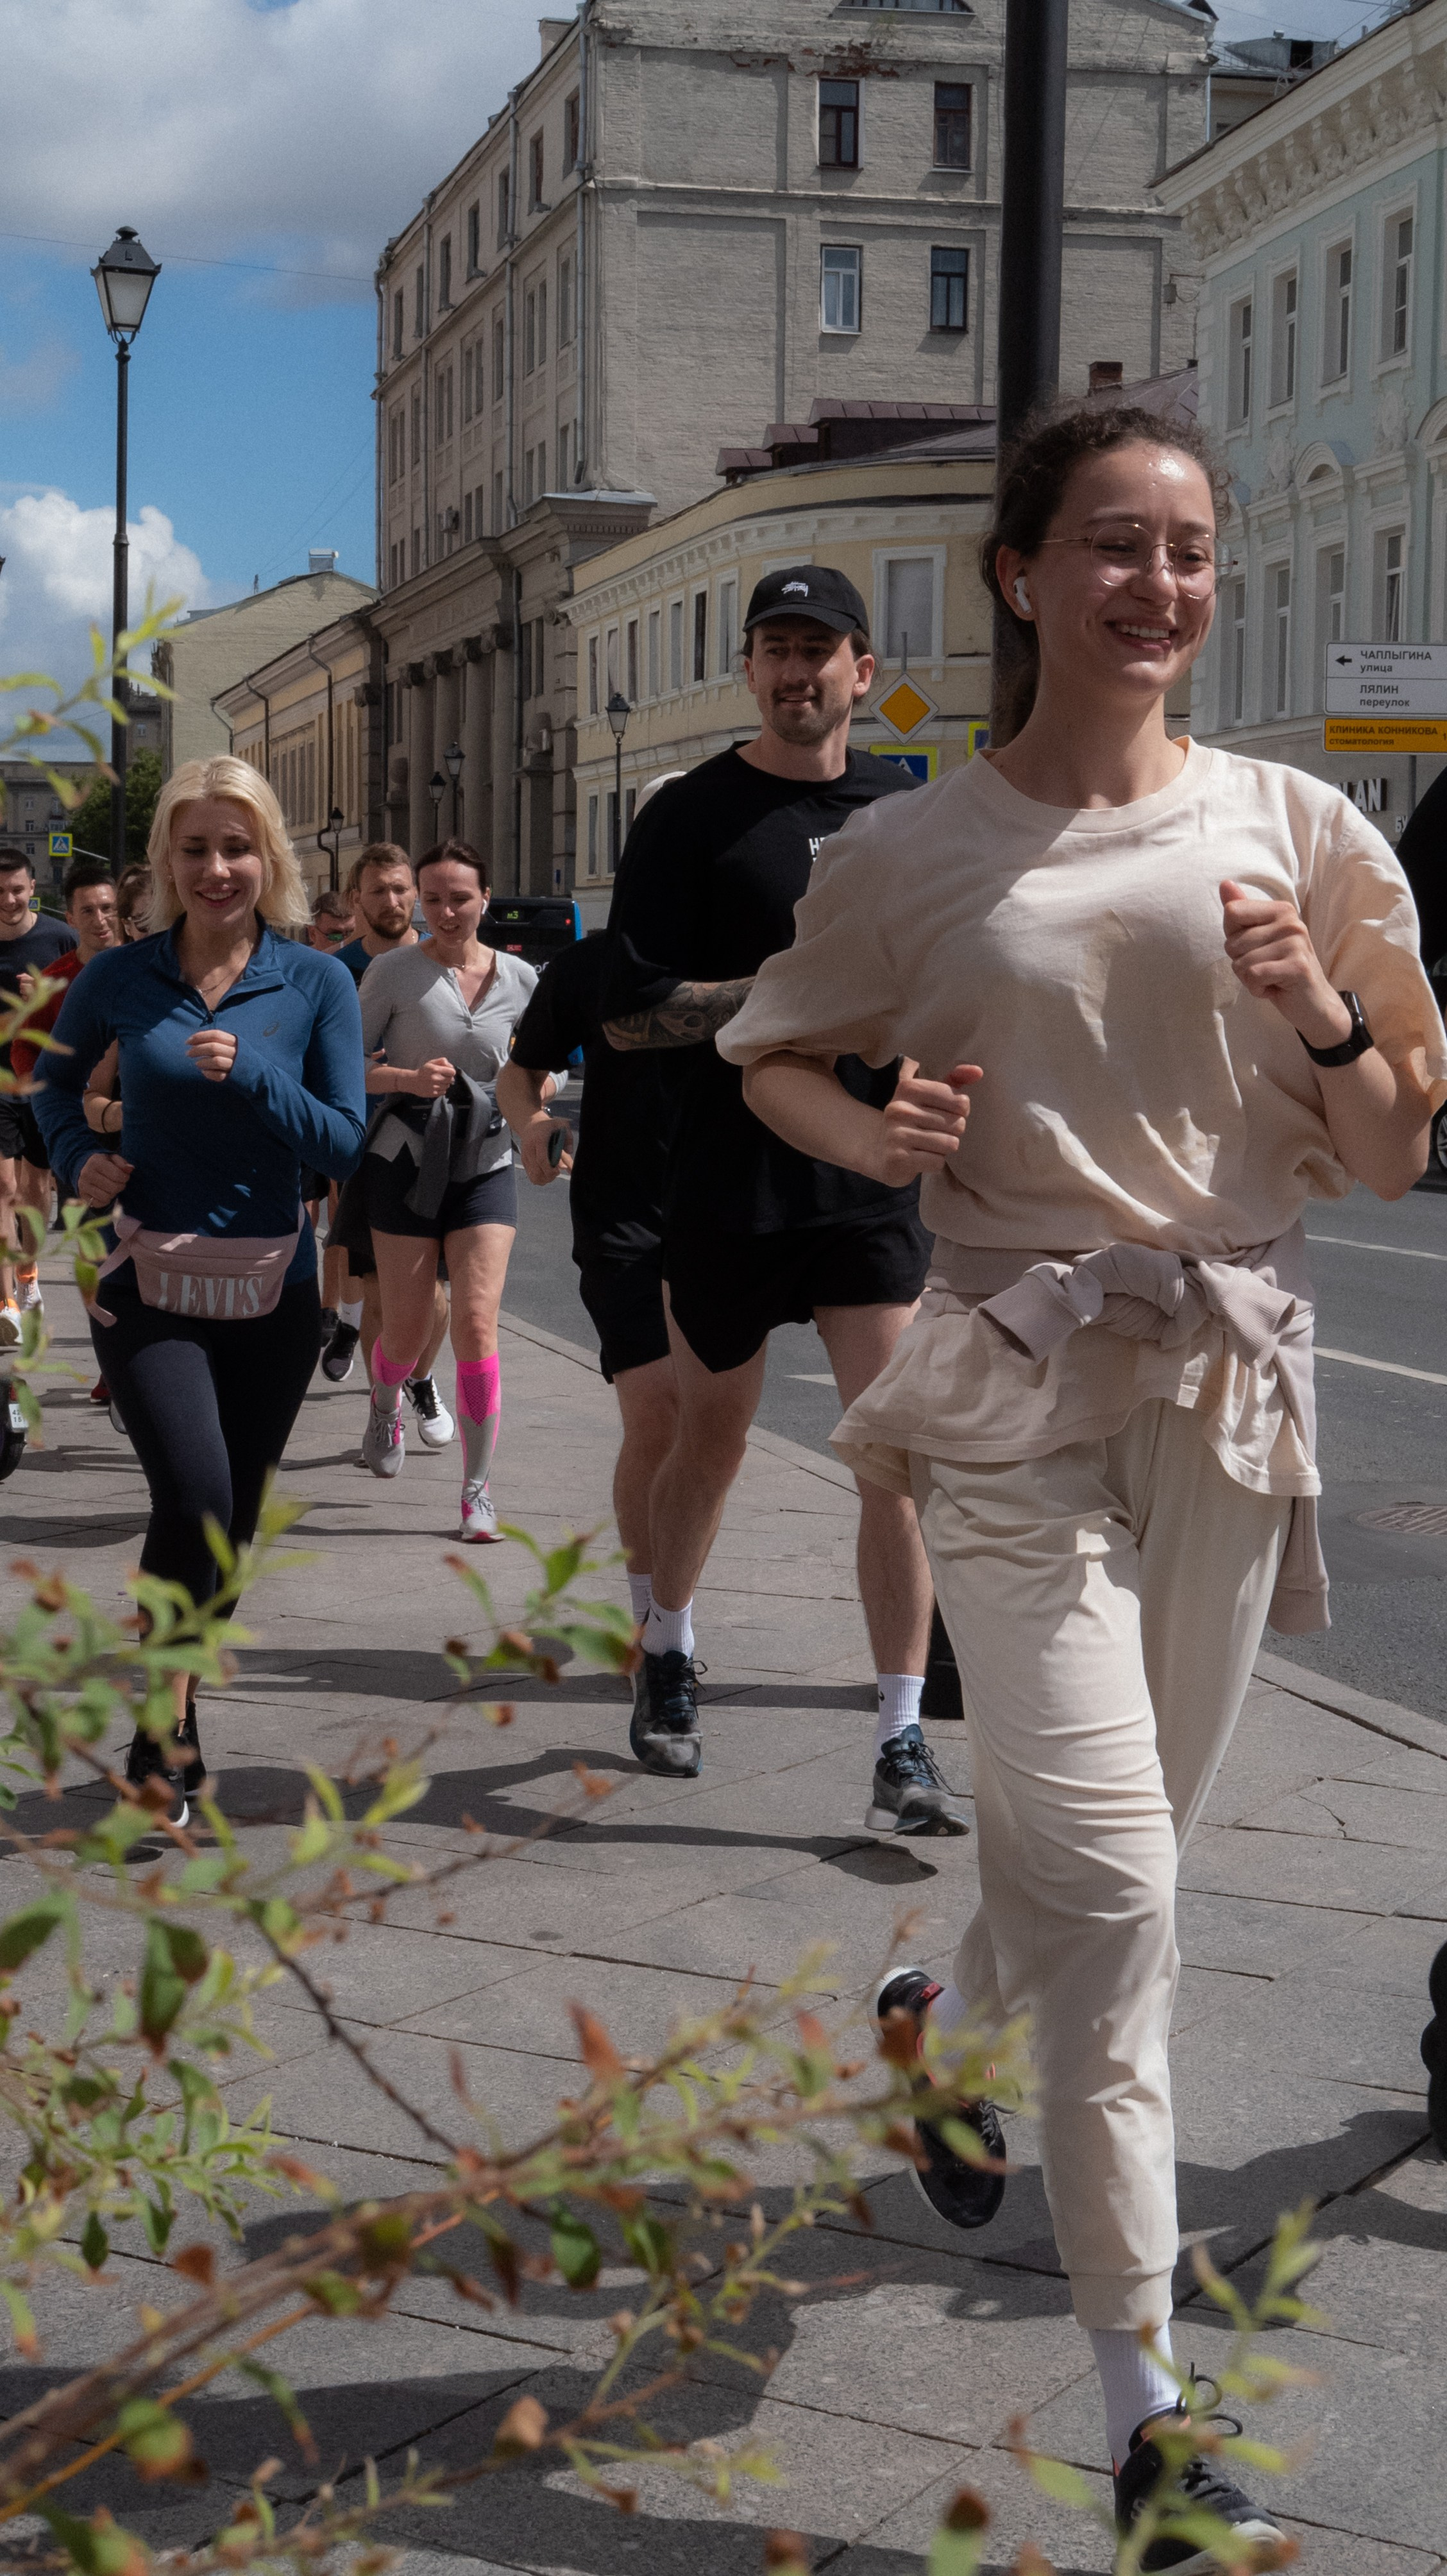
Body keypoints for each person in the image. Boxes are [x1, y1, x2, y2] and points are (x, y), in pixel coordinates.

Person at [718, 405, 1447, 2561]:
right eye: (1111, 544)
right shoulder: (908, 852)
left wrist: (1317, 1009)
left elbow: (1399, 1144)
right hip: (1006, 1388)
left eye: (1188, 548)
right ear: (1016, 572)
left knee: (1097, 1858)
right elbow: (772, 1043)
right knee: (1119, 1883)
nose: (1156, 584)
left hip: (1225, 1382)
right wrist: (877, 1140)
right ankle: (1144, 2399)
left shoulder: (1301, 825)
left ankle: (935, 2023)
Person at [600, 565, 959, 1828]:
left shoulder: (910, 813)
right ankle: (671, 1647)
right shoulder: (689, 816)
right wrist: (783, 1005)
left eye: (824, 647)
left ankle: (903, 1737)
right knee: (712, 1438)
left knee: (892, 1454)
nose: (800, 669)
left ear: (865, 670)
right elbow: (631, 1011)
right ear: (751, 669)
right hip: (729, 1174)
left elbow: (948, 983)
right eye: (777, 647)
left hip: (865, 1179)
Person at [36, 756, 366, 1825]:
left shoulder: (316, 982)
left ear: (267, 856)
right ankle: (165, 1737)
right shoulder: (120, 977)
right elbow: (49, 1081)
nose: (218, 867)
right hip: (147, 1280)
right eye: (196, 848)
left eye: (237, 846)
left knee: (224, 1530)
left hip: (275, 1294)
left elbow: (346, 1144)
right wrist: (73, 1154)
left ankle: (161, 1728)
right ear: (165, 863)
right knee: (197, 1495)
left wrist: (258, 1075)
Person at [355, 839, 540, 1540]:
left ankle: (477, 1489)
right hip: (406, 1158)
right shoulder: (391, 972)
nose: (445, 911)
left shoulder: (521, 978)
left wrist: (533, 1092)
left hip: (487, 1162)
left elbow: (547, 1070)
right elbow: (346, 1064)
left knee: (475, 1324)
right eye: (432, 899)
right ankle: (384, 1395)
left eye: (459, 897)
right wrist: (406, 1080)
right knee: (404, 1330)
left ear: (485, 899)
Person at [498, 928, 678, 1640]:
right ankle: (650, 1624)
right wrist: (533, 1122)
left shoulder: (757, 946)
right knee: (658, 1410)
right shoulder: (592, 964)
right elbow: (519, 1074)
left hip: (730, 1211)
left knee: (708, 1430)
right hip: (622, 1211)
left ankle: (674, 1608)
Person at [320, 843, 445, 1398]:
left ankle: (411, 1373)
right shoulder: (334, 972)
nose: (392, 901)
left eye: (400, 889)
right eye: (378, 890)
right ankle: (385, 1396)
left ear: (415, 893)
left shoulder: (441, 962)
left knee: (439, 1293)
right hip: (362, 1140)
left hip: (442, 1145)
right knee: (379, 1286)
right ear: (356, 898)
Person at [11, 863, 121, 1393]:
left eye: (109, 908)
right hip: (84, 1136)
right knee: (93, 1248)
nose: (101, 920)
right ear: (72, 917)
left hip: (148, 1127)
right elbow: (25, 1045)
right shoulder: (59, 979)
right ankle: (111, 1360)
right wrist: (47, 1095)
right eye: (89, 911)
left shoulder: (150, 967)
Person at [0, 847, 75, 1342]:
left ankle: (28, 1278)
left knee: (34, 1189)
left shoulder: (58, 938)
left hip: (44, 1078)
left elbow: (79, 1006)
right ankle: (6, 1300)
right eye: (0, 892)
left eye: (16, 890)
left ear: (33, 889)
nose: (8, 900)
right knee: (4, 1191)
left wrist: (44, 997)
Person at [308, 886, 355, 954]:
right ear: (313, 934)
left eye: (352, 934)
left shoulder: (370, 962)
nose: (345, 942)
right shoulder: (300, 962)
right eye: (335, 936)